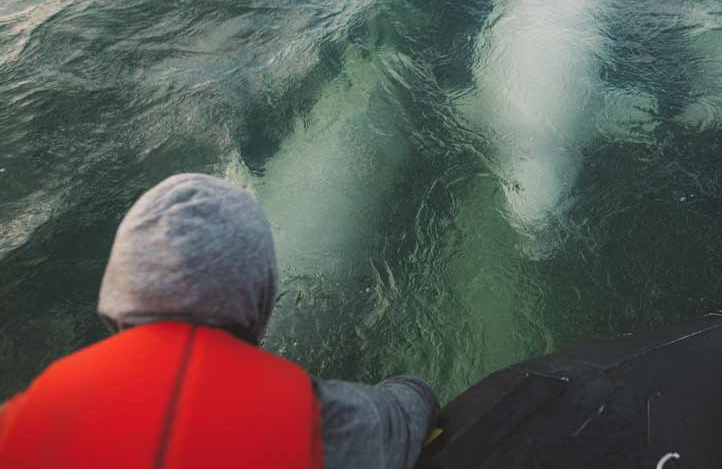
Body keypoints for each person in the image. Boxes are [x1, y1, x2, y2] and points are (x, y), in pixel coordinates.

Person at [0, 173, 438, 468]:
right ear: (259, 293)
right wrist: (414, 391)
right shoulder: (303, 419)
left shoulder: (21, 423)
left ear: (120, 287)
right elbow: (404, 418)